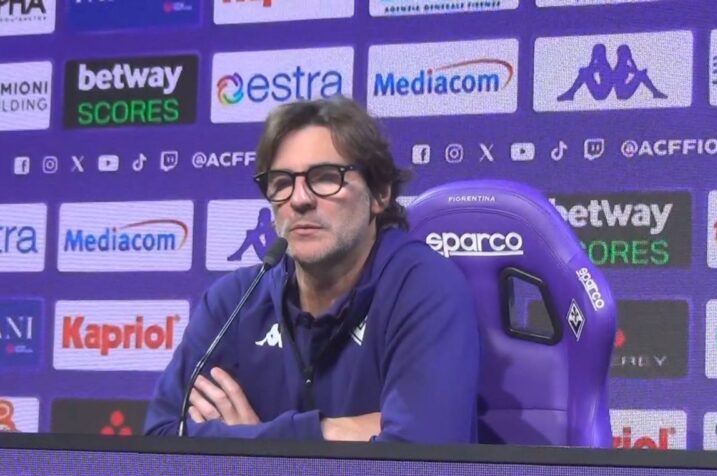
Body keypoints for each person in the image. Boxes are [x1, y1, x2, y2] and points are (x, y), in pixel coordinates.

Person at [144, 96, 480, 442]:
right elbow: (160, 438)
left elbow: (421, 454)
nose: (299, 199)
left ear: (380, 193)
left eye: (325, 178)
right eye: (282, 182)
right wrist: (321, 434)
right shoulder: (233, 303)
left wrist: (253, 442)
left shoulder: (423, 287)